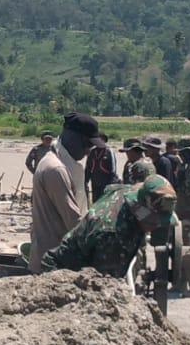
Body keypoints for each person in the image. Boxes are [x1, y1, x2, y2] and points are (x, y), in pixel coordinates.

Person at [42, 175, 177, 278]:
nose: (155, 227)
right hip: (65, 273)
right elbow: (105, 286)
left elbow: (110, 188)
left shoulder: (133, 192)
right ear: (138, 210)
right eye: (152, 222)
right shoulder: (113, 235)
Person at [28, 112, 105, 273]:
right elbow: (74, 221)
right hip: (51, 262)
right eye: (87, 144)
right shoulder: (56, 170)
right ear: (74, 138)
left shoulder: (54, 161)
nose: (88, 151)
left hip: (51, 256)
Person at [85, 134, 118, 204]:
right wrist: (86, 181)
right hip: (95, 182)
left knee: (105, 203)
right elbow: (88, 168)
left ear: (104, 140)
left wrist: (112, 184)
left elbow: (113, 170)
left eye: (101, 139)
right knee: (95, 202)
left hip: (106, 182)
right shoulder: (92, 152)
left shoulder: (109, 151)